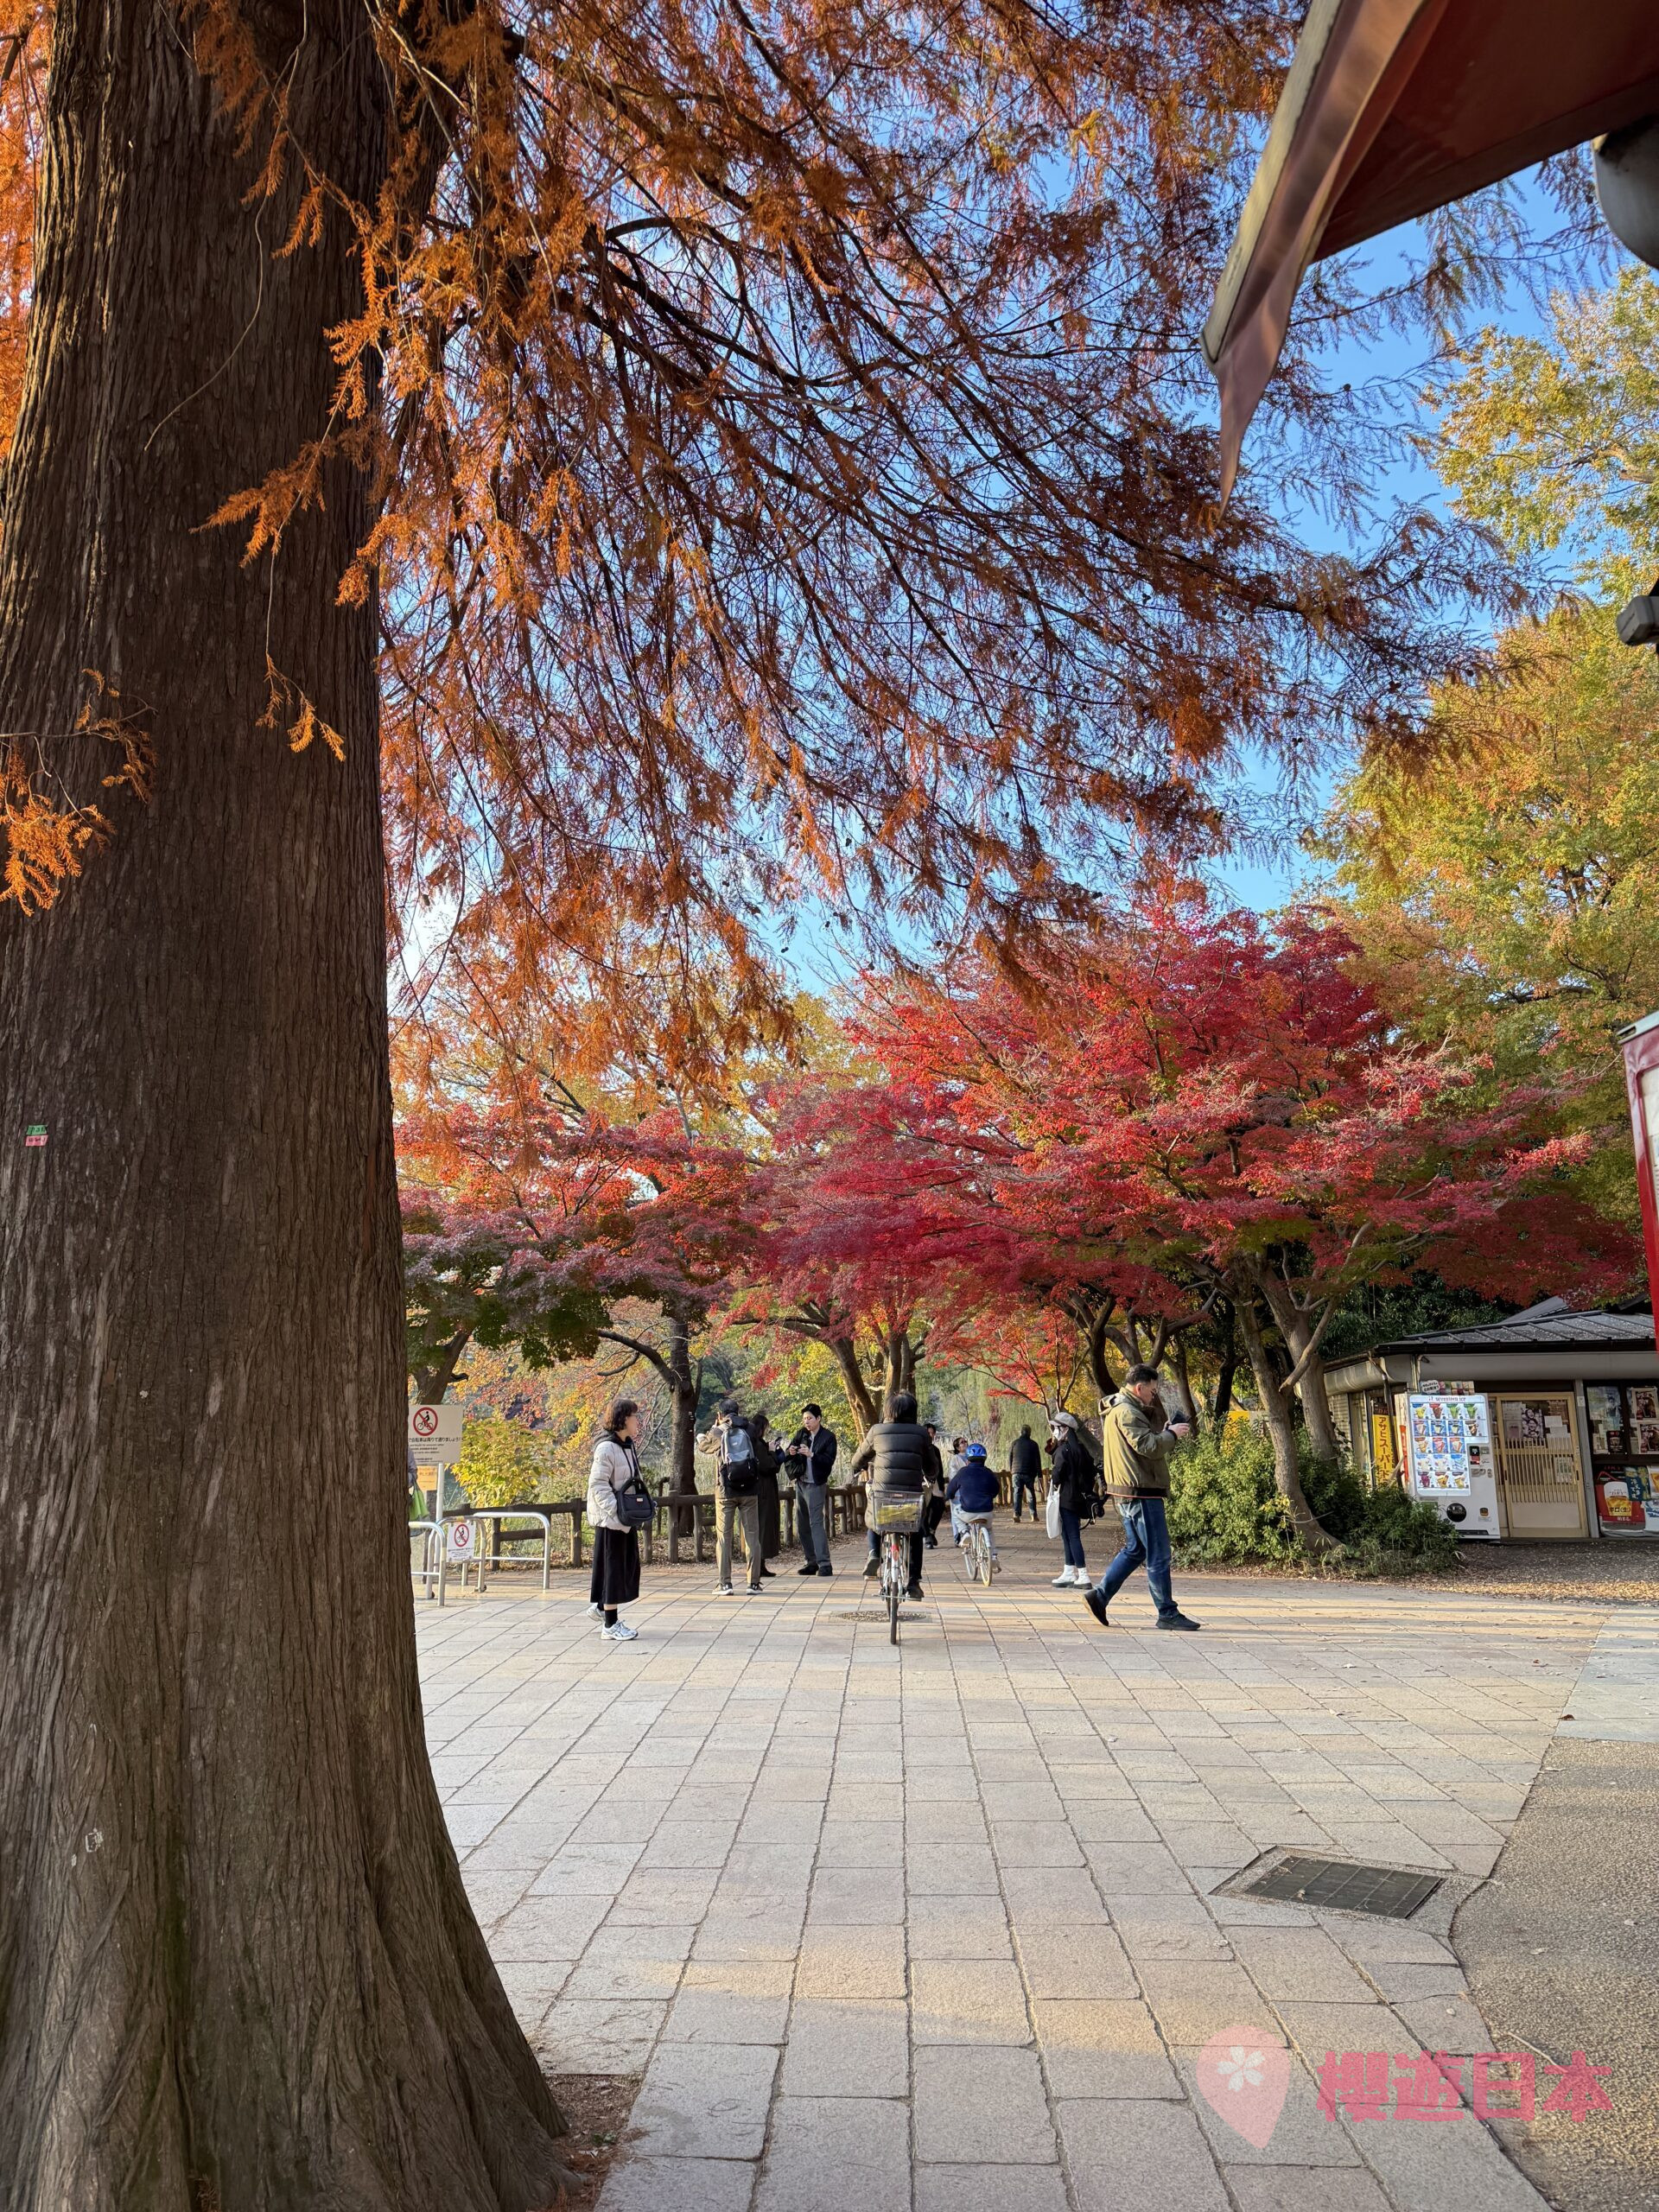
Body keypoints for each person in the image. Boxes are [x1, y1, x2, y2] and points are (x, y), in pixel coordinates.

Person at [1085, 1363, 1198, 1631]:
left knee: (1136, 1550)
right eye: (1153, 1390)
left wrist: (1165, 1433)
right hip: (1141, 1492)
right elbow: (1148, 1446)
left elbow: (1143, 1442)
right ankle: (1167, 1612)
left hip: (1129, 1491)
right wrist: (1171, 1435)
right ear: (1140, 1387)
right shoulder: (1127, 1412)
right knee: (1158, 1553)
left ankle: (1099, 1597)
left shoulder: (1120, 1409)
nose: (1154, 1395)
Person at [854, 1389, 938, 1600]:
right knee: (917, 1532)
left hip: (884, 1496)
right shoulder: (921, 1434)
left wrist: (859, 1466)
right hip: (910, 1498)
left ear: (888, 1410)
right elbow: (932, 1466)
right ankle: (914, 1582)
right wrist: (931, 1475)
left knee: (873, 1519)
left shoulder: (877, 1431)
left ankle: (874, 1554)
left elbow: (858, 1459)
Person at [696, 1396, 771, 1597]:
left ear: (720, 1414)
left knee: (724, 1538)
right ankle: (753, 1584)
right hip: (750, 1490)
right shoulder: (750, 1429)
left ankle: (725, 1584)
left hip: (725, 1490)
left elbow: (703, 1447)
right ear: (738, 1411)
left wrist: (706, 1434)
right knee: (752, 1537)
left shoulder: (718, 1431)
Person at [588, 1398, 645, 1641]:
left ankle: (601, 1607)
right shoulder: (606, 1448)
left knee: (624, 1567)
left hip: (625, 1518)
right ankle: (610, 1624)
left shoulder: (627, 1445)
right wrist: (616, 1510)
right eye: (634, 1416)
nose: (637, 1421)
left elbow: (633, 1479)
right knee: (612, 1570)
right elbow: (598, 1485)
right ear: (623, 1419)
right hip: (610, 1520)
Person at [1047, 1412, 1100, 1586]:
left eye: (1056, 1428)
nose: (1054, 1431)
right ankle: (1069, 1571)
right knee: (1068, 1535)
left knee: (1072, 1536)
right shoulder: (1081, 1449)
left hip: (1066, 1498)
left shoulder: (1063, 1450)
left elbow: (1057, 1475)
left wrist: (1053, 1476)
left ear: (1065, 1429)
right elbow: (1091, 1472)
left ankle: (1083, 1574)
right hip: (1079, 1498)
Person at [790, 1402, 838, 1575]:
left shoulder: (828, 1437)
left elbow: (829, 1460)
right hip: (801, 1483)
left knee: (816, 1523)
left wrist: (811, 1455)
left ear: (818, 1419)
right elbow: (790, 1454)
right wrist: (792, 1451)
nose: (807, 1422)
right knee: (802, 1524)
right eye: (804, 1419)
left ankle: (825, 1564)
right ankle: (811, 1562)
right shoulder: (801, 1434)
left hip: (816, 1484)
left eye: (810, 1418)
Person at [946, 1441, 999, 1567]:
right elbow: (996, 1489)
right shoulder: (989, 1472)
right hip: (986, 1512)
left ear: (968, 1459)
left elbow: (950, 1491)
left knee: (955, 1512)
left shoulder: (963, 1472)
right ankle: (993, 1556)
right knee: (989, 1529)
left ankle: (964, 1532)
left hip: (967, 1512)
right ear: (984, 1459)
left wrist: (949, 1497)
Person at [751, 1405, 783, 1577]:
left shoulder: (753, 1443)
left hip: (758, 1490)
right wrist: (772, 1452)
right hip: (763, 1491)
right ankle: (759, 1565)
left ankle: (760, 1565)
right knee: (762, 1527)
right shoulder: (757, 1445)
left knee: (760, 1527)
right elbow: (768, 1466)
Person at [920, 1422, 950, 1547]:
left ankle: (931, 1531)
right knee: (921, 1509)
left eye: (932, 1433)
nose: (931, 1435)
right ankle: (926, 1536)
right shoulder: (917, 1447)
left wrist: (941, 1485)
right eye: (928, 1433)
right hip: (921, 1482)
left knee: (939, 1506)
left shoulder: (935, 1450)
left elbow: (940, 1468)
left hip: (935, 1481)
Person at [1010, 1424, 1042, 1522]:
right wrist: (1039, 1475)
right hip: (1029, 1472)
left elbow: (1010, 1458)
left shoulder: (1015, 1443)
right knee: (1030, 1493)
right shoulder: (1033, 1444)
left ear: (1021, 1432)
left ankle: (1016, 1514)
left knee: (1017, 1493)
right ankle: (1033, 1515)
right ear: (1029, 1433)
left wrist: (1012, 1470)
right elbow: (1037, 1461)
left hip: (1016, 1472)